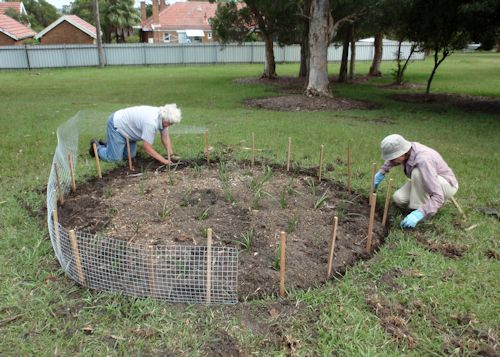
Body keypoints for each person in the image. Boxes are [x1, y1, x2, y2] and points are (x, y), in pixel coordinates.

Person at [373, 134, 458, 229]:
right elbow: (392, 161)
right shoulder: (407, 150)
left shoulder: (424, 160)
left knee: (417, 173)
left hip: (445, 185)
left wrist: (418, 214)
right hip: (425, 181)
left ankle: (421, 215)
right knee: (399, 199)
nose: (391, 161)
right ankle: (421, 206)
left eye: (393, 158)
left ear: (402, 153)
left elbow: (438, 196)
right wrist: (381, 173)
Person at [90, 104, 181, 165]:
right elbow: (147, 147)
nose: (170, 125)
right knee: (115, 159)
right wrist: (163, 160)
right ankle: (97, 148)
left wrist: (171, 155)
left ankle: (110, 145)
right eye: (170, 123)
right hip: (117, 125)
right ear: (165, 118)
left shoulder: (164, 117)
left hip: (130, 131)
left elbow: (165, 137)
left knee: (128, 156)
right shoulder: (151, 122)